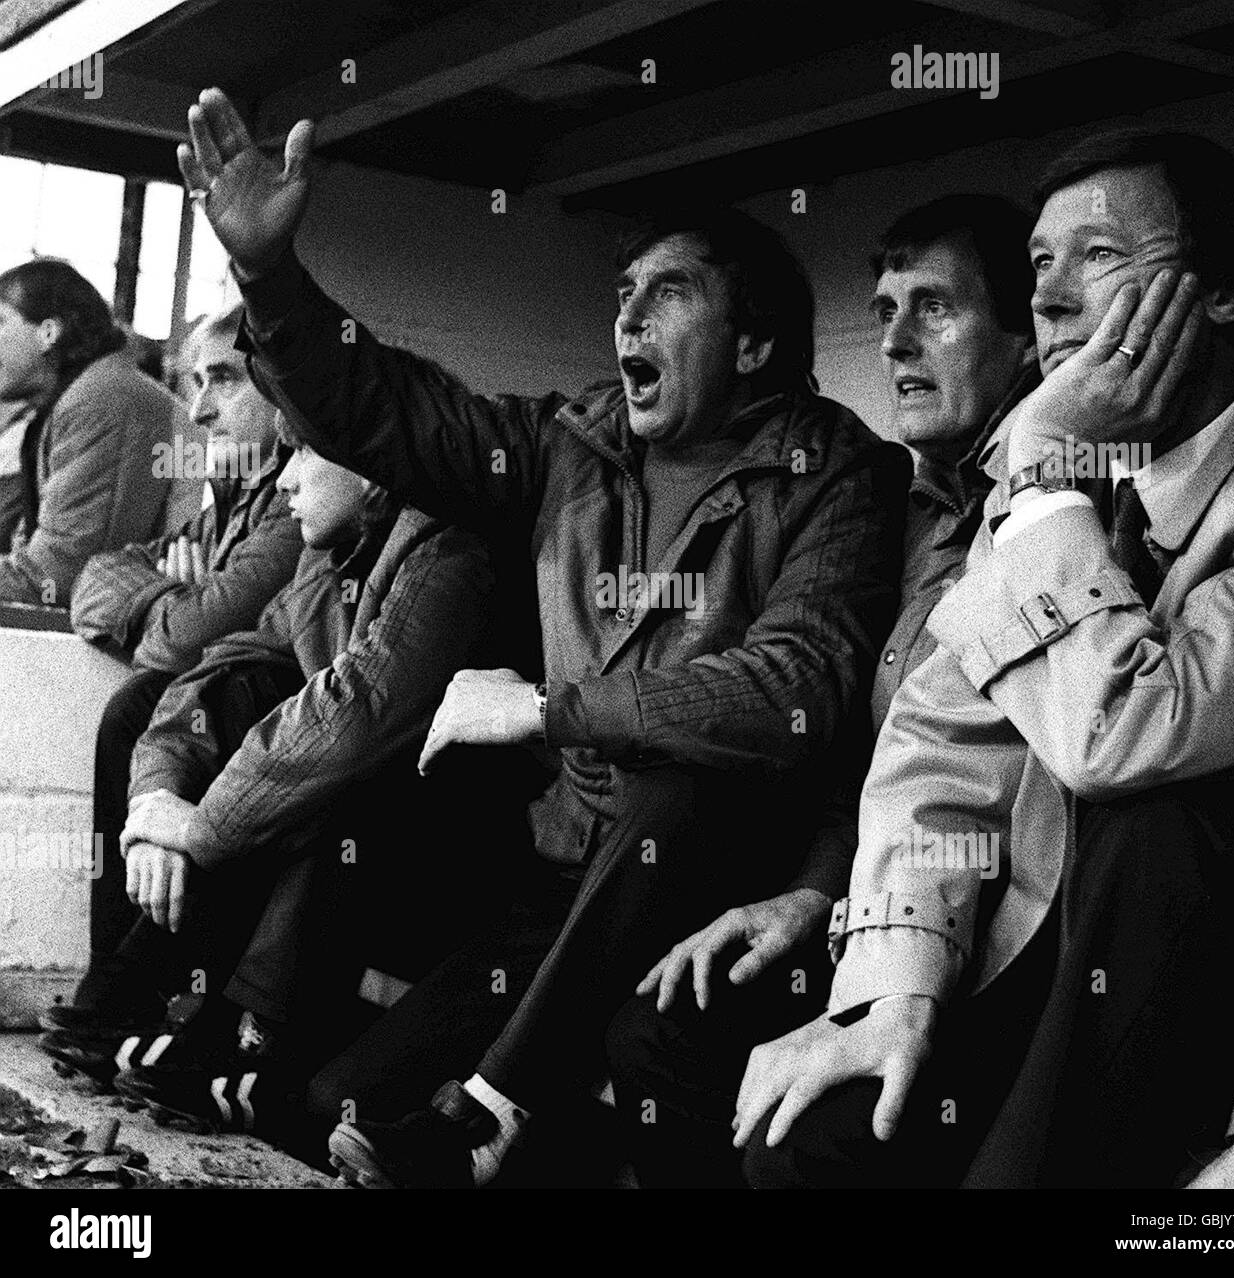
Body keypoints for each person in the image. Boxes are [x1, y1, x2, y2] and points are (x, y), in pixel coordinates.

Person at [173, 87, 910, 1187]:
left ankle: (493, 1117)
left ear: (755, 341)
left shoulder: (835, 471)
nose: (629, 319)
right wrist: (270, 276)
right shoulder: (568, 442)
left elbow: (794, 686)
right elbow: (387, 410)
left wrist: (545, 709)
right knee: (342, 1103)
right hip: (561, 873)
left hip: (715, 882)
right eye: (623, 293)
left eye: (669, 293)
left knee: (676, 779)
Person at [735, 129, 1234, 1190]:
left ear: (1228, 293)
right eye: (1040, 262)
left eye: (1099, 255)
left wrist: (1041, 474)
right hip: (1054, 923)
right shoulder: (1070, 461)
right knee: (805, 1141)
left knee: (1157, 820)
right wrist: (895, 985)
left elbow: (1125, 733)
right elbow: (939, 731)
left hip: (1229, 959)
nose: (1048, 297)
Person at [606, 194, 1040, 1186]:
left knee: (803, 1138)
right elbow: (873, 756)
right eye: (885, 311)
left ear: (1030, 334)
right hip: (875, 892)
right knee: (661, 1025)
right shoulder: (909, 508)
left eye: (934, 308)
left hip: (1004, 927)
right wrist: (813, 892)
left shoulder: (1072, 503)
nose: (894, 342)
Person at [47, 424, 514, 1126]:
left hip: (460, 866)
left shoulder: (449, 551)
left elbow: (354, 718)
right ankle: (134, 987)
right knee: (191, 704)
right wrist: (156, 802)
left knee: (327, 779)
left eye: (303, 453)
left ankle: (252, 1040)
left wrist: (198, 830)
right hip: (357, 840)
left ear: (371, 468)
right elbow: (223, 662)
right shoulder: (328, 551)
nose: (285, 478)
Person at [38, 305, 303, 1066]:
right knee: (140, 706)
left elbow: (182, 641)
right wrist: (169, 594)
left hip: (296, 732)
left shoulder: (297, 501)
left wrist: (169, 602)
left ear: (280, 390)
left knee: (149, 702)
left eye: (223, 379)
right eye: (193, 382)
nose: (200, 408)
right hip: (232, 725)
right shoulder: (230, 498)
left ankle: (132, 996)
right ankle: (118, 985)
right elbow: (92, 579)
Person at [0, 259, 183, 605]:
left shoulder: (101, 399)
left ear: (48, 332)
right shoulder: (78, 396)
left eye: (0, 322)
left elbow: (55, 579)